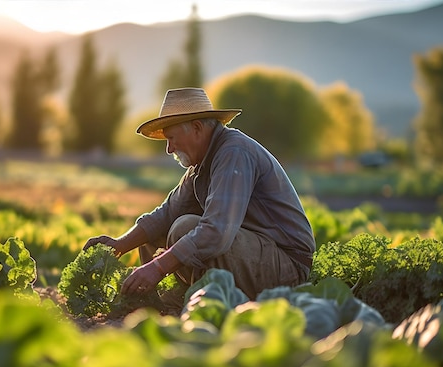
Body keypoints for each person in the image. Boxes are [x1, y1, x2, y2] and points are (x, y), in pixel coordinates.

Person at [83, 87, 315, 307]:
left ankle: (200, 298)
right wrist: (119, 245)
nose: (169, 149)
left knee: (185, 227)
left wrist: (158, 268)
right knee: (157, 233)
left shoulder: (233, 152)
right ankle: (173, 296)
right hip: (254, 252)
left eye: (172, 138)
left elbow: (217, 232)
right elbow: (165, 213)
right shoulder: (201, 163)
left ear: (196, 128)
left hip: (287, 266)